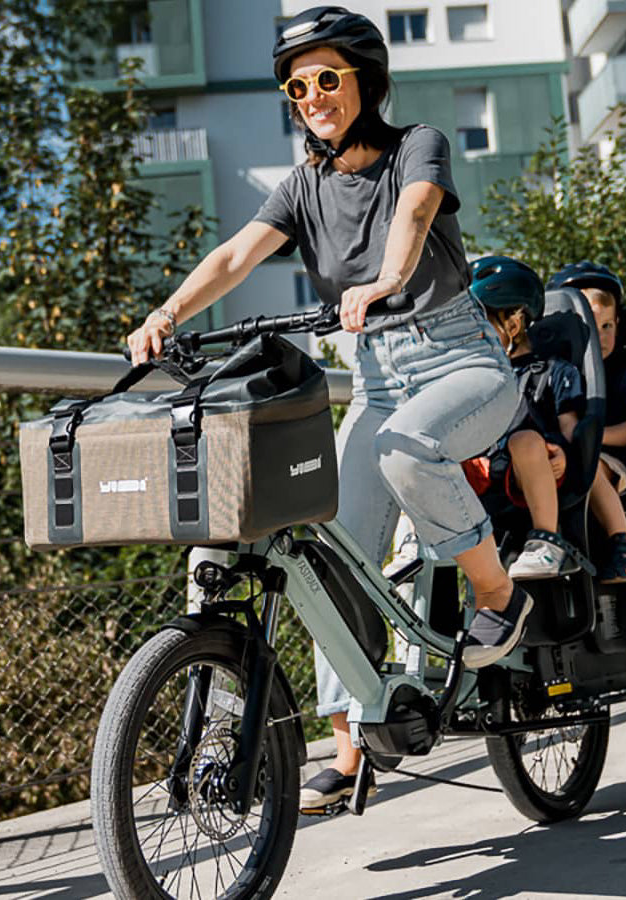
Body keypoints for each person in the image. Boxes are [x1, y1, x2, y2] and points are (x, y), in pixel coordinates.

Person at [126, 6, 529, 814]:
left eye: (327, 78)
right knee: (329, 550)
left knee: (411, 446)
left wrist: (383, 281)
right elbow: (238, 254)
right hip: (376, 380)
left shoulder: (419, 145)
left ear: (364, 82)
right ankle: (352, 748)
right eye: (297, 84)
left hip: (462, 365)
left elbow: (414, 211)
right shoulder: (303, 184)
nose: (311, 94)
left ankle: (498, 598)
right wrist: (166, 313)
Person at [461, 256, 585, 579]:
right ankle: (412, 541)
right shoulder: (474, 378)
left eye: (477, 326)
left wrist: (564, 455)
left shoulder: (554, 372)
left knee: (525, 440)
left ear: (513, 325)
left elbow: (571, 429)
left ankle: (547, 542)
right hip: (483, 470)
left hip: (529, 468)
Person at [546, 262, 626, 582]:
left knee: (588, 467)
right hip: (565, 456)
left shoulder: (624, 376)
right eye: (592, 328)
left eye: (607, 327)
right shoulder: (557, 373)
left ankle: (623, 542)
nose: (602, 337)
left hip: (613, 462)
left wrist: (595, 439)